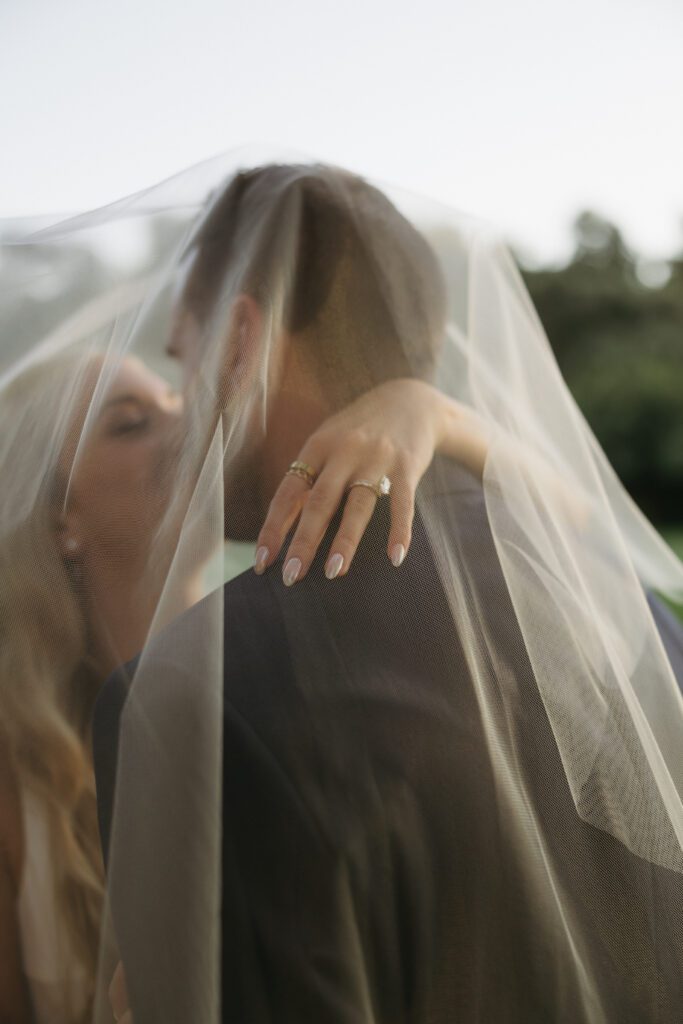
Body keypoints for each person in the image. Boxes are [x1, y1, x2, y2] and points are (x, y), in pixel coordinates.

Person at [91, 161, 683, 1023]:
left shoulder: (190, 691)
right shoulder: (631, 610)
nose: (184, 415)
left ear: (242, 340)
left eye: (186, 359)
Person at [0, 337, 488, 1019]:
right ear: (57, 517)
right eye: (132, 422)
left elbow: (582, 531)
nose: (193, 419)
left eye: (178, 395)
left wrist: (428, 412)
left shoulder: (278, 692)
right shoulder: (18, 786)